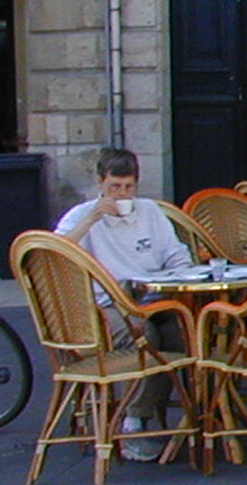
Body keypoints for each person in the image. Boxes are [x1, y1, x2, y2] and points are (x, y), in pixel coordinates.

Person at [54, 147, 194, 462]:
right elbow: (55, 254)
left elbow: (174, 252)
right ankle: (136, 422)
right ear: (100, 183)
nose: (122, 194)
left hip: (154, 296)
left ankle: (199, 414)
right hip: (107, 307)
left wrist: (182, 272)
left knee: (184, 333)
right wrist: (92, 218)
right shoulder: (83, 216)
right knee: (146, 337)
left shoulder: (149, 212)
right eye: (114, 187)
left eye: (128, 187)